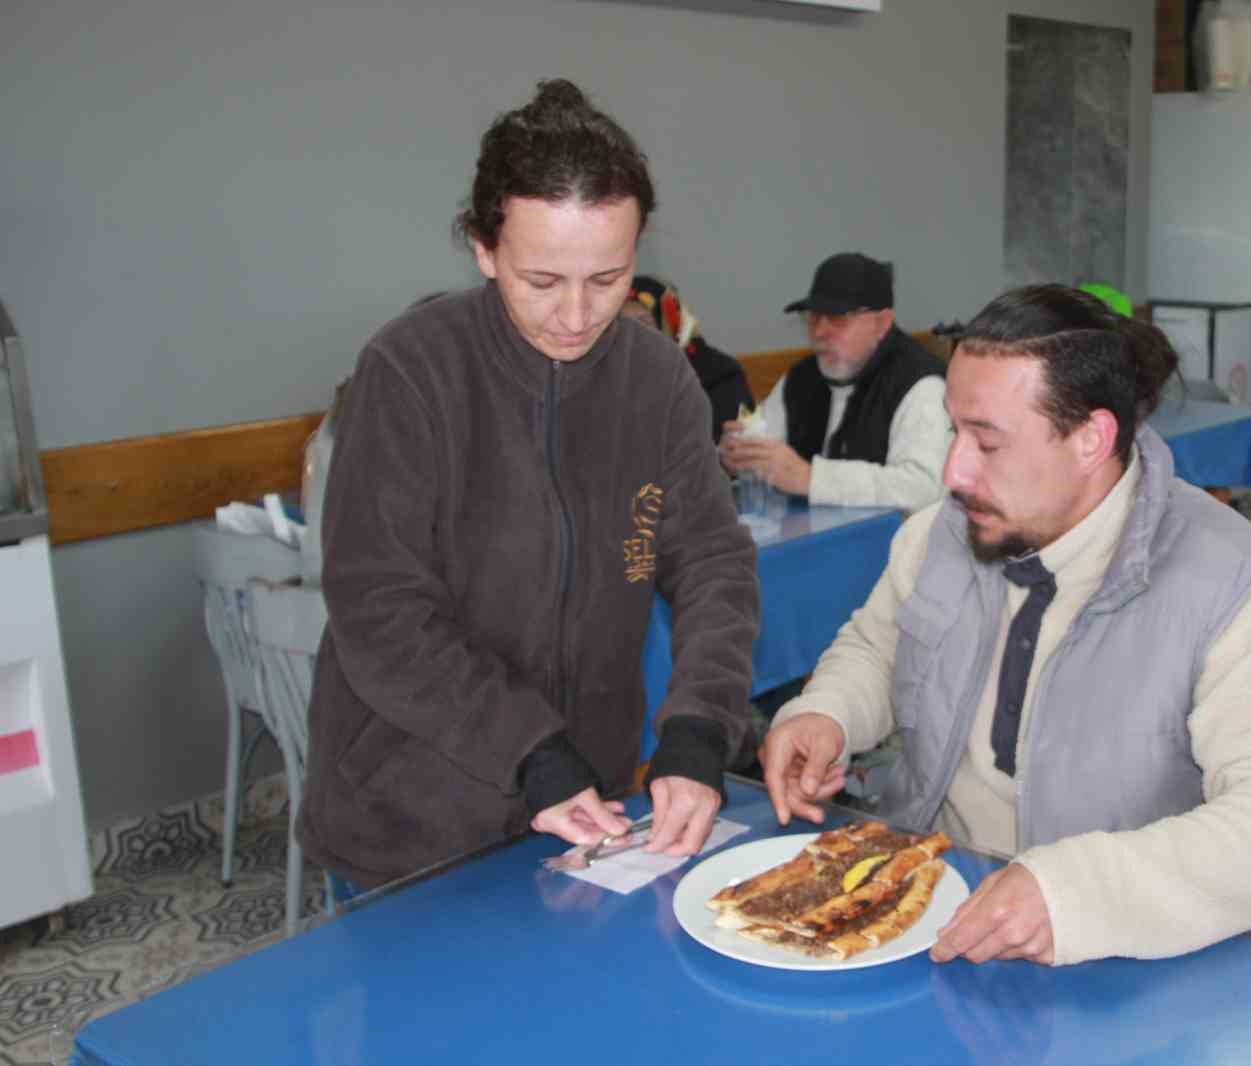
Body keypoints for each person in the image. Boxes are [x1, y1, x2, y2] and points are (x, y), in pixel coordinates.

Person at [760, 284, 1251, 967]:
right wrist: (827, 713)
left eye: (987, 441)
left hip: (1128, 953)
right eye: (955, 431)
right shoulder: (942, 536)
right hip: (936, 900)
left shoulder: (1234, 597)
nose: (954, 471)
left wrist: (1074, 892)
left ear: (1092, 439)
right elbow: (880, 646)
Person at [297, 79, 760, 891]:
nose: (577, 315)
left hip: (593, 800)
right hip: (415, 814)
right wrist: (530, 751)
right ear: (483, 247)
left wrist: (696, 730)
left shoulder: (655, 379)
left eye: (609, 279)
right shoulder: (409, 371)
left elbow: (712, 563)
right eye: (542, 281)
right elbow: (381, 609)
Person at [718, 252, 950, 511]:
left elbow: (924, 488)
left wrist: (811, 479)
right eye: (814, 318)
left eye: (838, 319)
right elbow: (763, 446)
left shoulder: (922, 386)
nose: (819, 332)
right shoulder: (800, 378)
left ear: (881, 323)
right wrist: (737, 454)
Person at [621, 275, 754, 445]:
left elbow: (727, 444)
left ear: (671, 323)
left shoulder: (718, 374)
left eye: (644, 321)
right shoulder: (611, 374)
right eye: (623, 324)